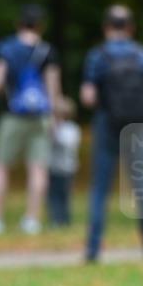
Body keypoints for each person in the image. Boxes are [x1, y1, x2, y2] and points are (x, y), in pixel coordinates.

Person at [80, 5, 143, 261]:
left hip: (107, 123)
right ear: (131, 28)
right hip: (137, 126)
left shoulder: (98, 56)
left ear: (106, 27)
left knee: (100, 188)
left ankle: (93, 250)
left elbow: (88, 96)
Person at [0, 4, 61, 235]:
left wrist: (8, 91)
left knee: (0, 166)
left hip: (12, 115)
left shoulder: (6, 48)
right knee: (38, 168)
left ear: (19, 23)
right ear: (41, 26)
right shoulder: (47, 51)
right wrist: (54, 118)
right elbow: (53, 88)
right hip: (40, 117)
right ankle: (32, 220)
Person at [47, 96, 81, 227]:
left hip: (67, 169)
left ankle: (65, 219)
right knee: (53, 195)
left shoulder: (72, 129)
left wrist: (55, 133)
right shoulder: (52, 127)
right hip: (53, 168)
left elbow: (67, 144)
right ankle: (55, 219)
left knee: (64, 195)